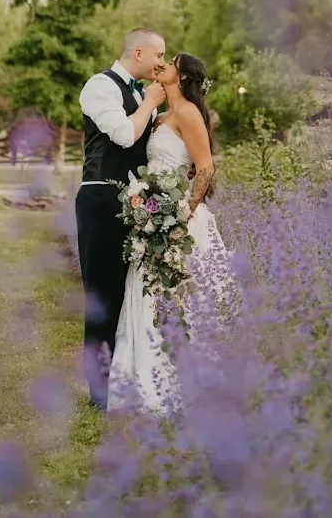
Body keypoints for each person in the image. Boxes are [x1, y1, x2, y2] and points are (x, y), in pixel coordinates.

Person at [108, 52, 232, 413]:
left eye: (171, 61)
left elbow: (206, 168)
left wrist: (180, 216)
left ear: (183, 77)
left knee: (191, 299)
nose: (163, 65)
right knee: (148, 295)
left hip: (180, 221)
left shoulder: (190, 114)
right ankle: (144, 376)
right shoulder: (161, 117)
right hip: (154, 217)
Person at [76, 28, 167, 409]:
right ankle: (98, 390)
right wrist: (148, 105)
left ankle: (121, 376)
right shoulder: (101, 86)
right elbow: (123, 136)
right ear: (140, 52)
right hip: (101, 200)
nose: (163, 62)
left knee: (125, 294)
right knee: (101, 295)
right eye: (159, 55)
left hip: (134, 204)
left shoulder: (139, 94)